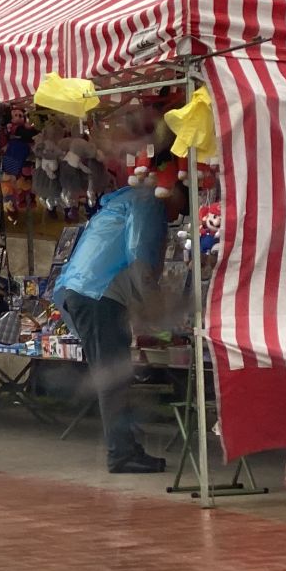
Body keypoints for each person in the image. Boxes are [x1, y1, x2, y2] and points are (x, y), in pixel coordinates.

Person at [53, 172, 188, 473]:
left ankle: (127, 447)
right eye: (182, 204)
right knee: (113, 377)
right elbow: (140, 259)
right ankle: (121, 454)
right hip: (98, 294)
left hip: (85, 292)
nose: (179, 214)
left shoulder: (121, 202)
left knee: (117, 375)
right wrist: (161, 316)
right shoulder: (148, 203)